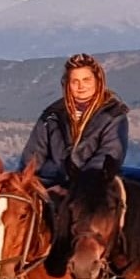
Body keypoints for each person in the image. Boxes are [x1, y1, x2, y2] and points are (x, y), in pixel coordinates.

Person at [18, 54, 130, 188]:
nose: (81, 86)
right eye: (75, 81)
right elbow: (32, 159)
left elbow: (109, 155)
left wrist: (77, 179)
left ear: (97, 81)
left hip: (96, 188)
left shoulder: (113, 115)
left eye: (86, 80)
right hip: (52, 186)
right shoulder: (52, 116)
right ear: (67, 84)